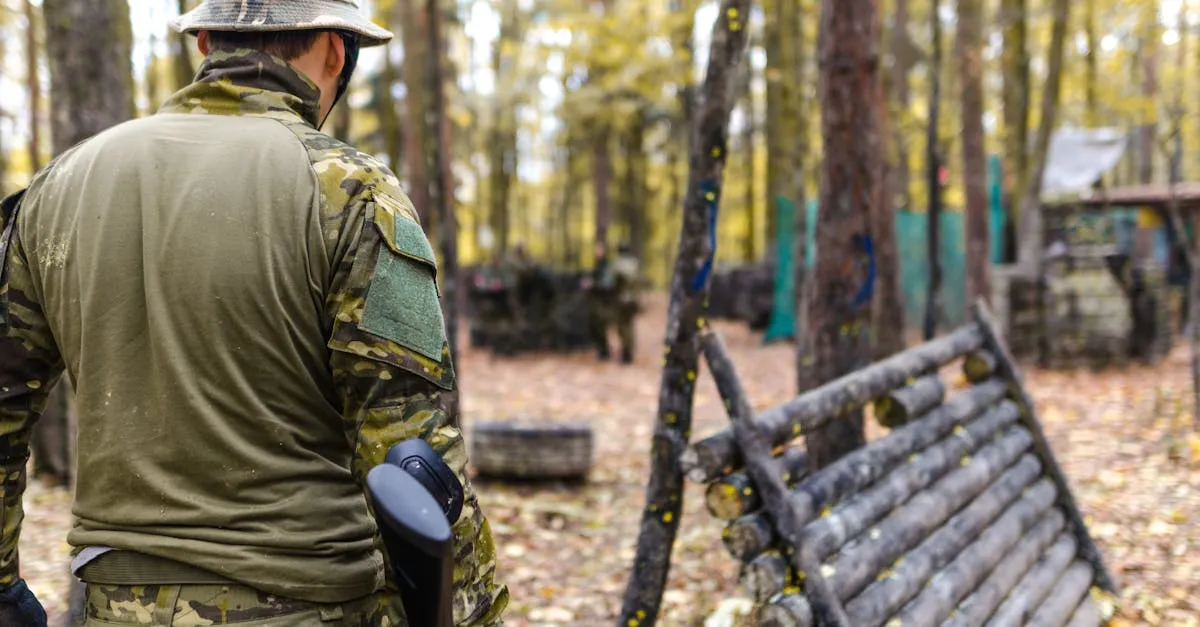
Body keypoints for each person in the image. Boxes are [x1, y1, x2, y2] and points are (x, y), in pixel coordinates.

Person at [0, 1, 507, 625]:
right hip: (310, 602)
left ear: (206, 42)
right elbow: (411, 453)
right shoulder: (348, 191)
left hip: (118, 602)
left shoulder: (61, 185)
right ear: (334, 51)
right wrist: (475, 614)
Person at [610, 242, 642, 364]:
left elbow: (613, 283)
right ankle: (629, 351)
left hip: (621, 300)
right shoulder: (634, 264)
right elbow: (639, 282)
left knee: (622, 326)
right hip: (633, 299)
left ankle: (626, 353)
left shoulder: (616, 265)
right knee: (630, 325)